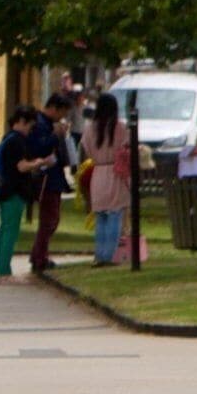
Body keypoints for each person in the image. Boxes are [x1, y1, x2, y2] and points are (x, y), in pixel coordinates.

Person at [0, 103, 68, 278]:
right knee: (10, 232)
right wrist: (39, 162)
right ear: (22, 122)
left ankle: (3, 270)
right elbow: (21, 166)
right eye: (30, 126)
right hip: (13, 191)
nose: (30, 131)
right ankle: (4, 273)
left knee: (6, 231)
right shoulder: (16, 141)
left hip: (6, 190)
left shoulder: (8, 137)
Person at [28, 87, 81, 271]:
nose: (62, 117)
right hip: (46, 179)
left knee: (52, 219)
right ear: (54, 108)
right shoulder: (40, 124)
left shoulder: (48, 124)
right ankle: (39, 257)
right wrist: (55, 135)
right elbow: (40, 149)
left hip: (54, 177)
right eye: (62, 112)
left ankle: (39, 254)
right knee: (49, 219)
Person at [82, 92, 133, 268]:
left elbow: (86, 150)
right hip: (115, 173)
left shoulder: (90, 129)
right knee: (115, 215)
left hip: (98, 173)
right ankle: (109, 256)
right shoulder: (120, 128)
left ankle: (99, 254)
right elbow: (127, 148)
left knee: (101, 217)